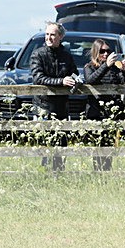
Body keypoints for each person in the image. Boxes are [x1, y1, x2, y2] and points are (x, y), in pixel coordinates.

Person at [30, 22, 79, 171]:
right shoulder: (38, 54)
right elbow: (38, 78)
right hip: (43, 105)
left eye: (52, 34)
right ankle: (45, 173)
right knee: (45, 141)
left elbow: (74, 72)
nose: (49, 38)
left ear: (60, 37)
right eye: (47, 34)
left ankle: (59, 171)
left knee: (61, 139)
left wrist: (75, 80)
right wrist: (61, 81)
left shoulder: (67, 55)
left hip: (62, 105)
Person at [83, 39, 125, 171]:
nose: (106, 54)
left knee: (109, 145)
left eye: (108, 51)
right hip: (96, 112)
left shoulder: (114, 68)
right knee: (98, 147)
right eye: (102, 51)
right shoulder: (89, 67)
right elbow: (91, 80)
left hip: (112, 112)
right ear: (96, 52)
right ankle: (98, 173)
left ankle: (106, 172)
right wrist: (106, 65)